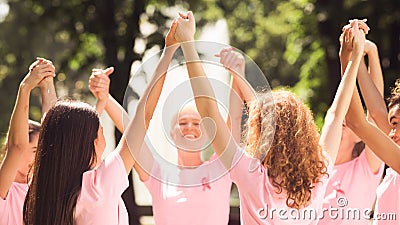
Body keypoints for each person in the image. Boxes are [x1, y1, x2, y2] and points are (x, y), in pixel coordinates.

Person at [175, 12, 367, 224]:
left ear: (262, 132)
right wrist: (351, 57)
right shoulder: (319, 175)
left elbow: (208, 111)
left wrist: (187, 42)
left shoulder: (250, 175)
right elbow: (335, 114)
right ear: (305, 130)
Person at [89, 19, 235, 225]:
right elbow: (131, 130)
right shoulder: (159, 175)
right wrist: (105, 97)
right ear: (171, 131)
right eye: (183, 123)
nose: (190, 128)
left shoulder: (220, 168)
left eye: (197, 123)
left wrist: (236, 75)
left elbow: (232, 120)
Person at [22, 35, 174, 224]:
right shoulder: (99, 185)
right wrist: (170, 49)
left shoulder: (45, 189)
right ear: (93, 141)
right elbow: (144, 116)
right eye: (100, 128)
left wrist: (46, 87)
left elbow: (55, 134)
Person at [319, 23, 385, 224]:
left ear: (361, 134)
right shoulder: (316, 167)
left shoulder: (366, 167)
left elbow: (375, 114)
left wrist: (370, 52)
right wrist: (347, 56)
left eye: (350, 122)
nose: (345, 121)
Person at [0, 58, 56, 225]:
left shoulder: (41, 188)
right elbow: (17, 146)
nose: (40, 158)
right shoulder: (4, 189)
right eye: (34, 151)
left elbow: (55, 137)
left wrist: (47, 84)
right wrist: (25, 88)